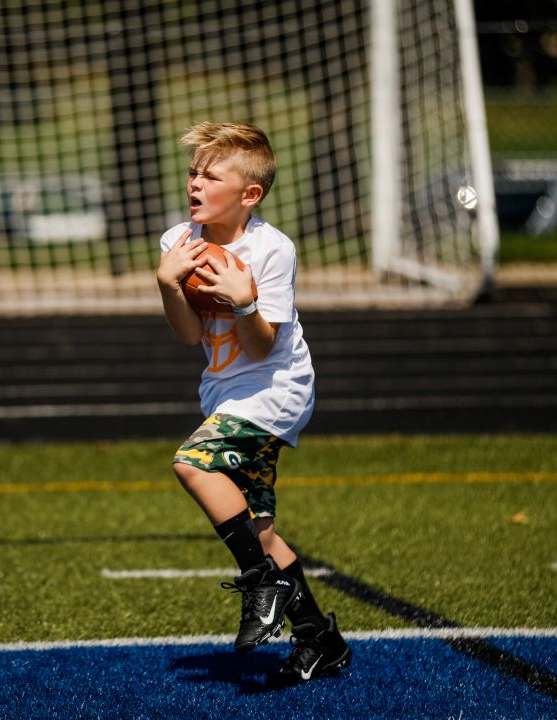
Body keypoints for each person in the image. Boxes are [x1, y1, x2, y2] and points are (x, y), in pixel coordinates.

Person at [155, 122, 350, 683]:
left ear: (249, 194)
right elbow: (190, 336)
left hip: (276, 388)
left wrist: (244, 304)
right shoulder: (179, 240)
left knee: (192, 463)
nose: (194, 182)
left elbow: (264, 343)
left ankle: (263, 582)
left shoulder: (271, 248)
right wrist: (169, 286)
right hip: (225, 391)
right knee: (259, 527)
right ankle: (320, 638)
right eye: (193, 172)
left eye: (210, 175)